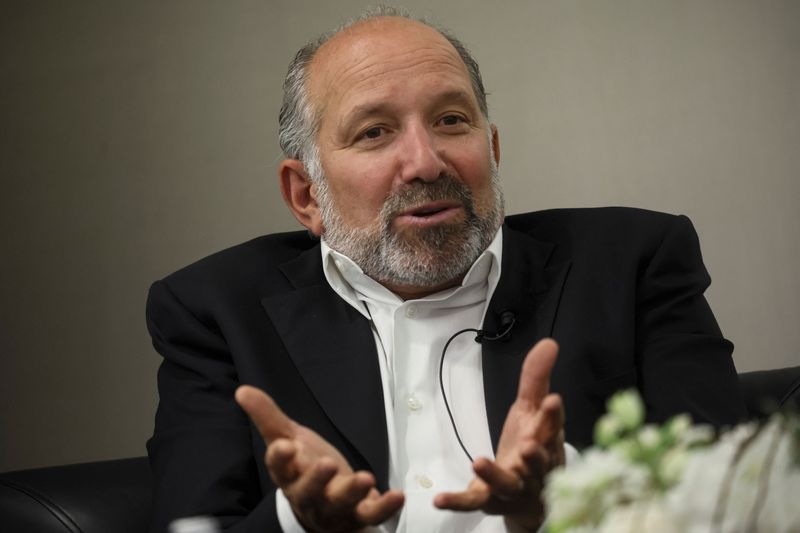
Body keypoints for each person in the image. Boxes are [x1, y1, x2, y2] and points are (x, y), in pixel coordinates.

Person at [146, 8, 745, 533]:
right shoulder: (216, 311)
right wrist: (298, 520)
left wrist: (567, 500)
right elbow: (192, 525)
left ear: (493, 149)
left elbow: (731, 500)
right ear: (306, 195)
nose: (426, 163)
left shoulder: (633, 261)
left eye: (452, 120)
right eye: (375, 132)